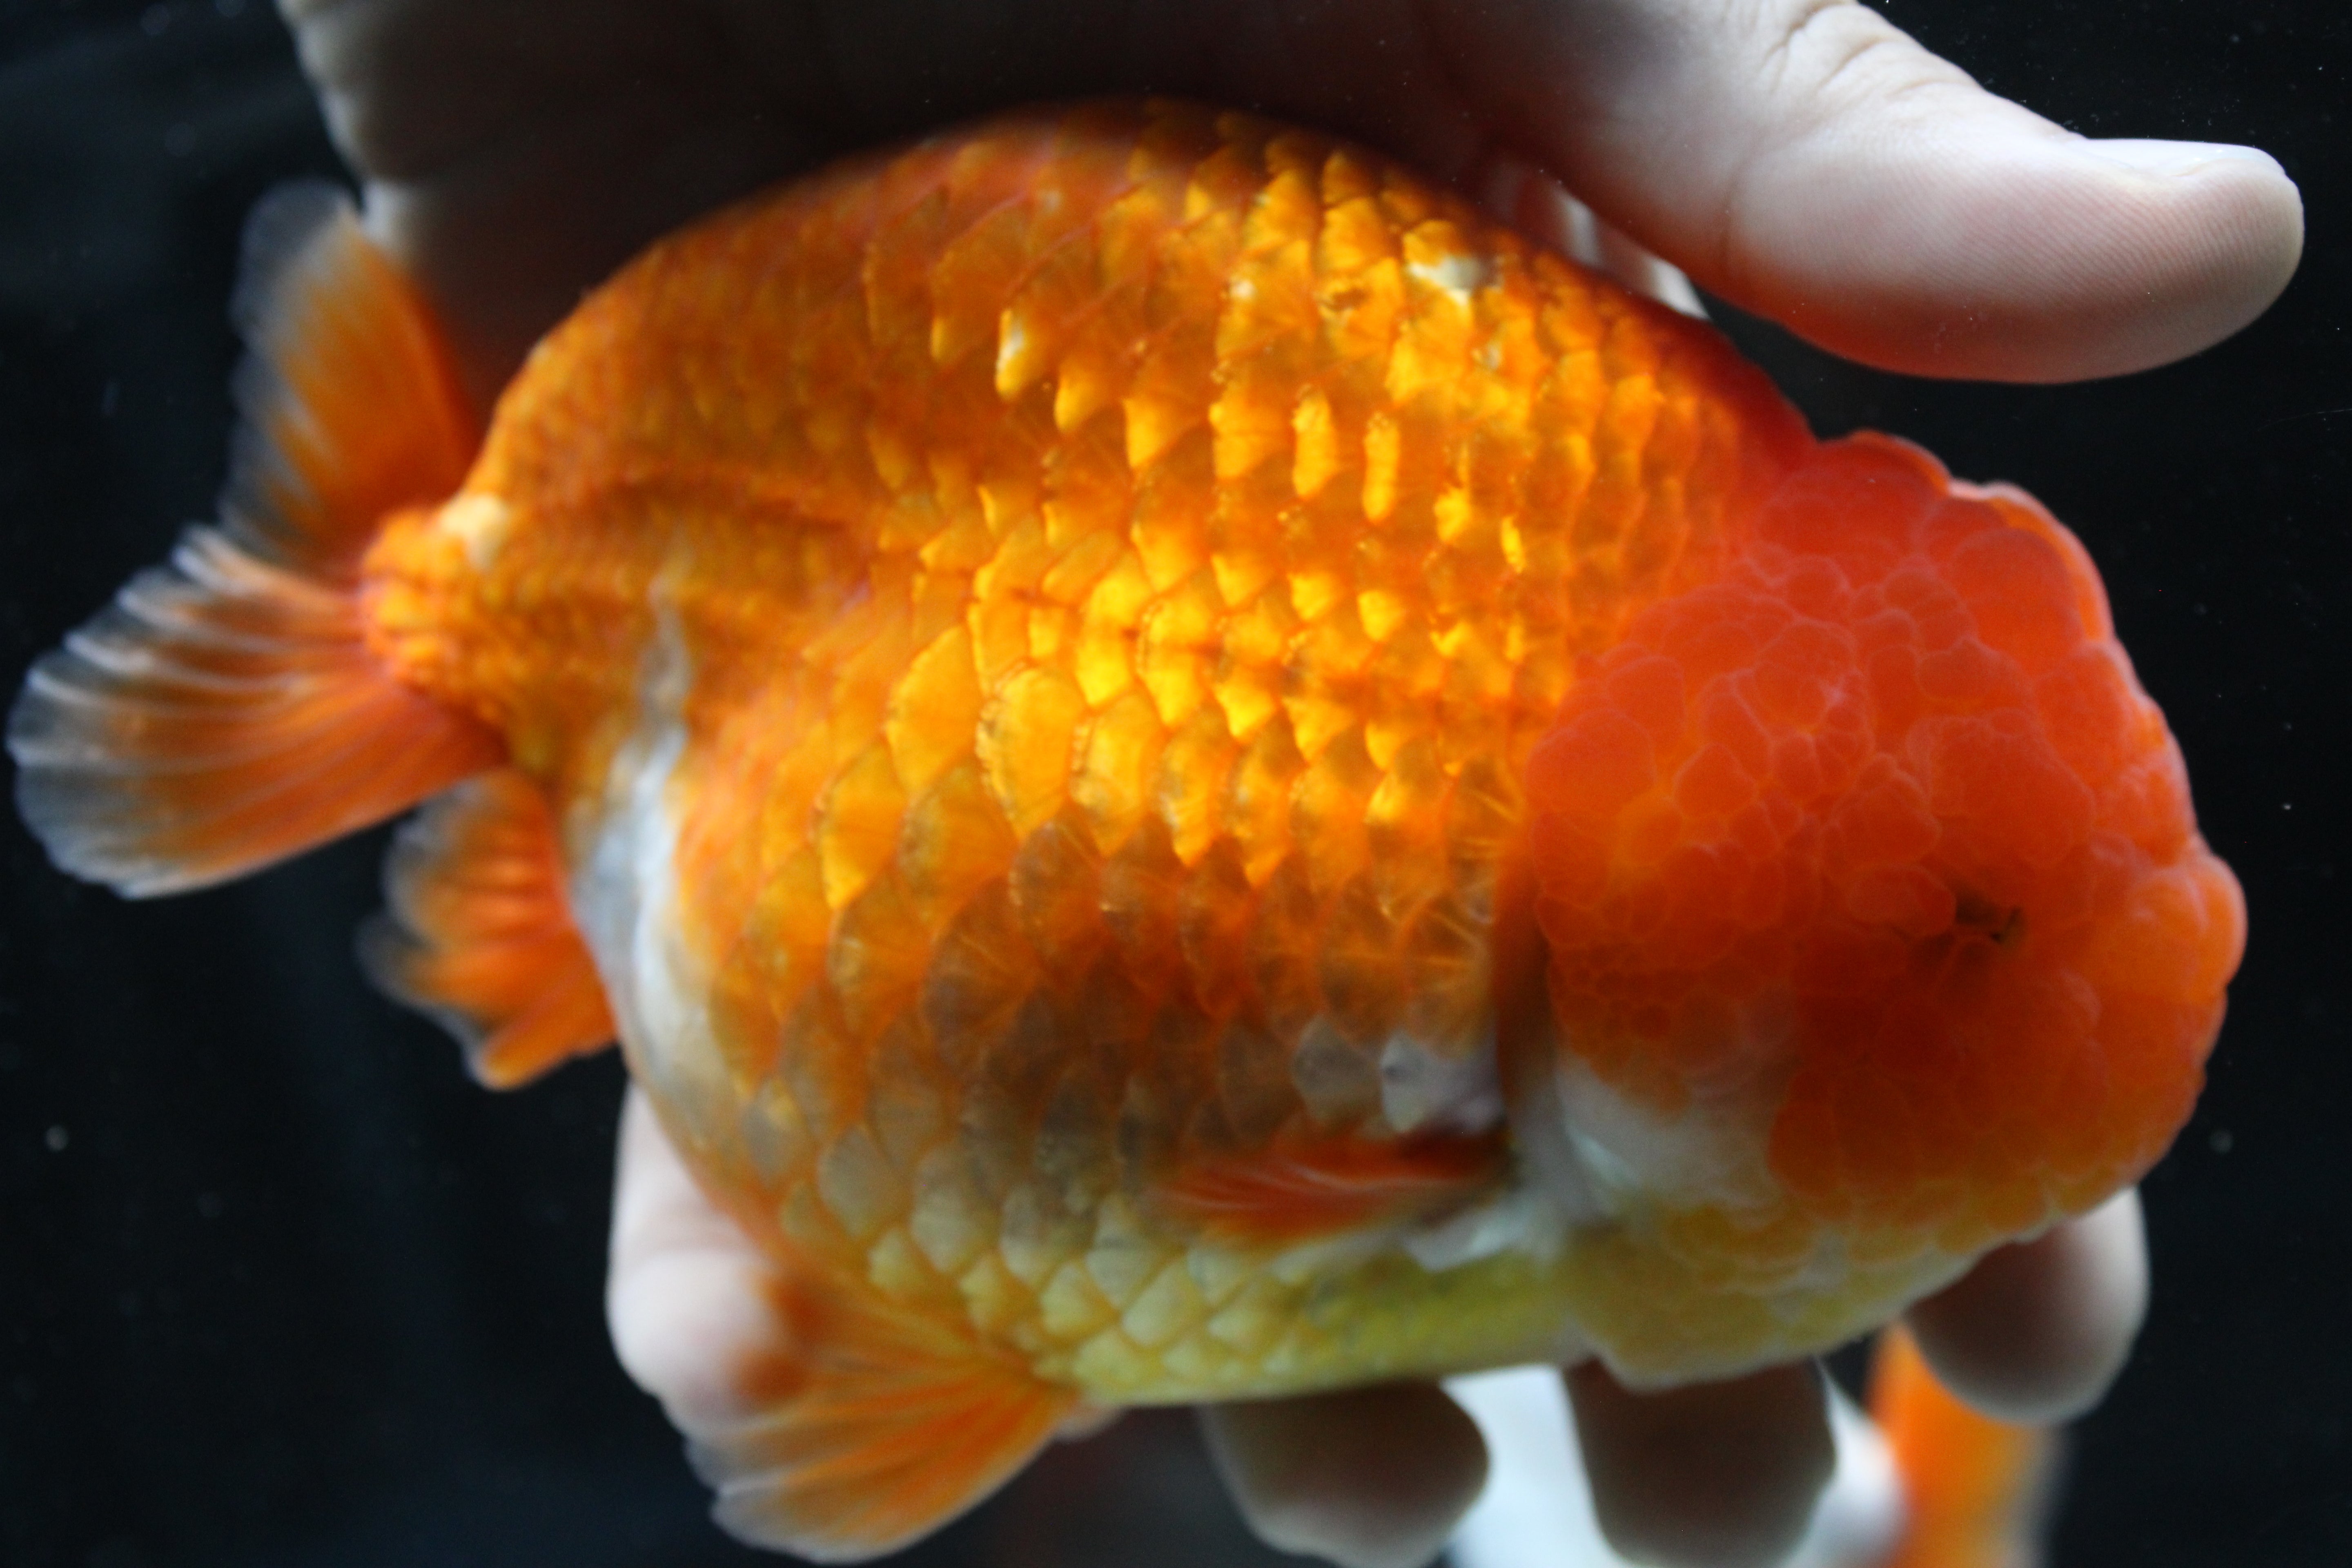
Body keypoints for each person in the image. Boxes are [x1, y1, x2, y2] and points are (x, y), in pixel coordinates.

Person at [276, 2, 2303, 1563]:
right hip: (672, 523)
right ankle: (406, 615)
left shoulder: (1667, 489)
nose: (2186, 917)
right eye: (1967, 930)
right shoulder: (1490, 1090)